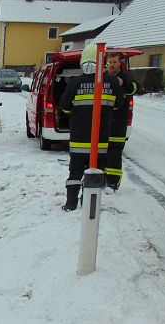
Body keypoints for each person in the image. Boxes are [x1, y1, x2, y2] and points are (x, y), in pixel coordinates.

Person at [59, 44, 123, 211]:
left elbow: (65, 107)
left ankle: (71, 203)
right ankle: (88, 205)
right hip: (100, 142)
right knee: (96, 173)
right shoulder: (113, 82)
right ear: (103, 62)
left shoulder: (75, 83)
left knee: (75, 172)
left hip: (79, 140)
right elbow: (118, 106)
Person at [104, 52, 138, 190]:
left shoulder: (125, 77)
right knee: (102, 151)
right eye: (110, 62)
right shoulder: (102, 77)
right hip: (104, 121)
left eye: (114, 62)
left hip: (118, 122)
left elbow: (136, 87)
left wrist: (124, 84)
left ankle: (112, 182)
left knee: (115, 153)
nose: (112, 65)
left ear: (120, 63)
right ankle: (101, 179)